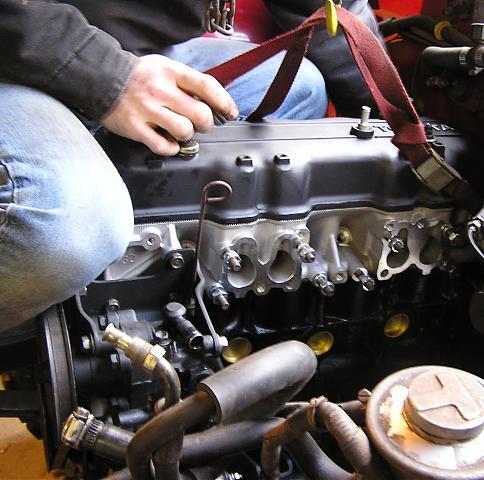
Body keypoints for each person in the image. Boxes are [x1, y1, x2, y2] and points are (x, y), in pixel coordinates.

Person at [0, 0, 382, 341]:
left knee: (301, 88)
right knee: (68, 228)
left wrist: (397, 124)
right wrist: (106, 77)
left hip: (128, 47)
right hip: (20, 52)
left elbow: (329, 8)